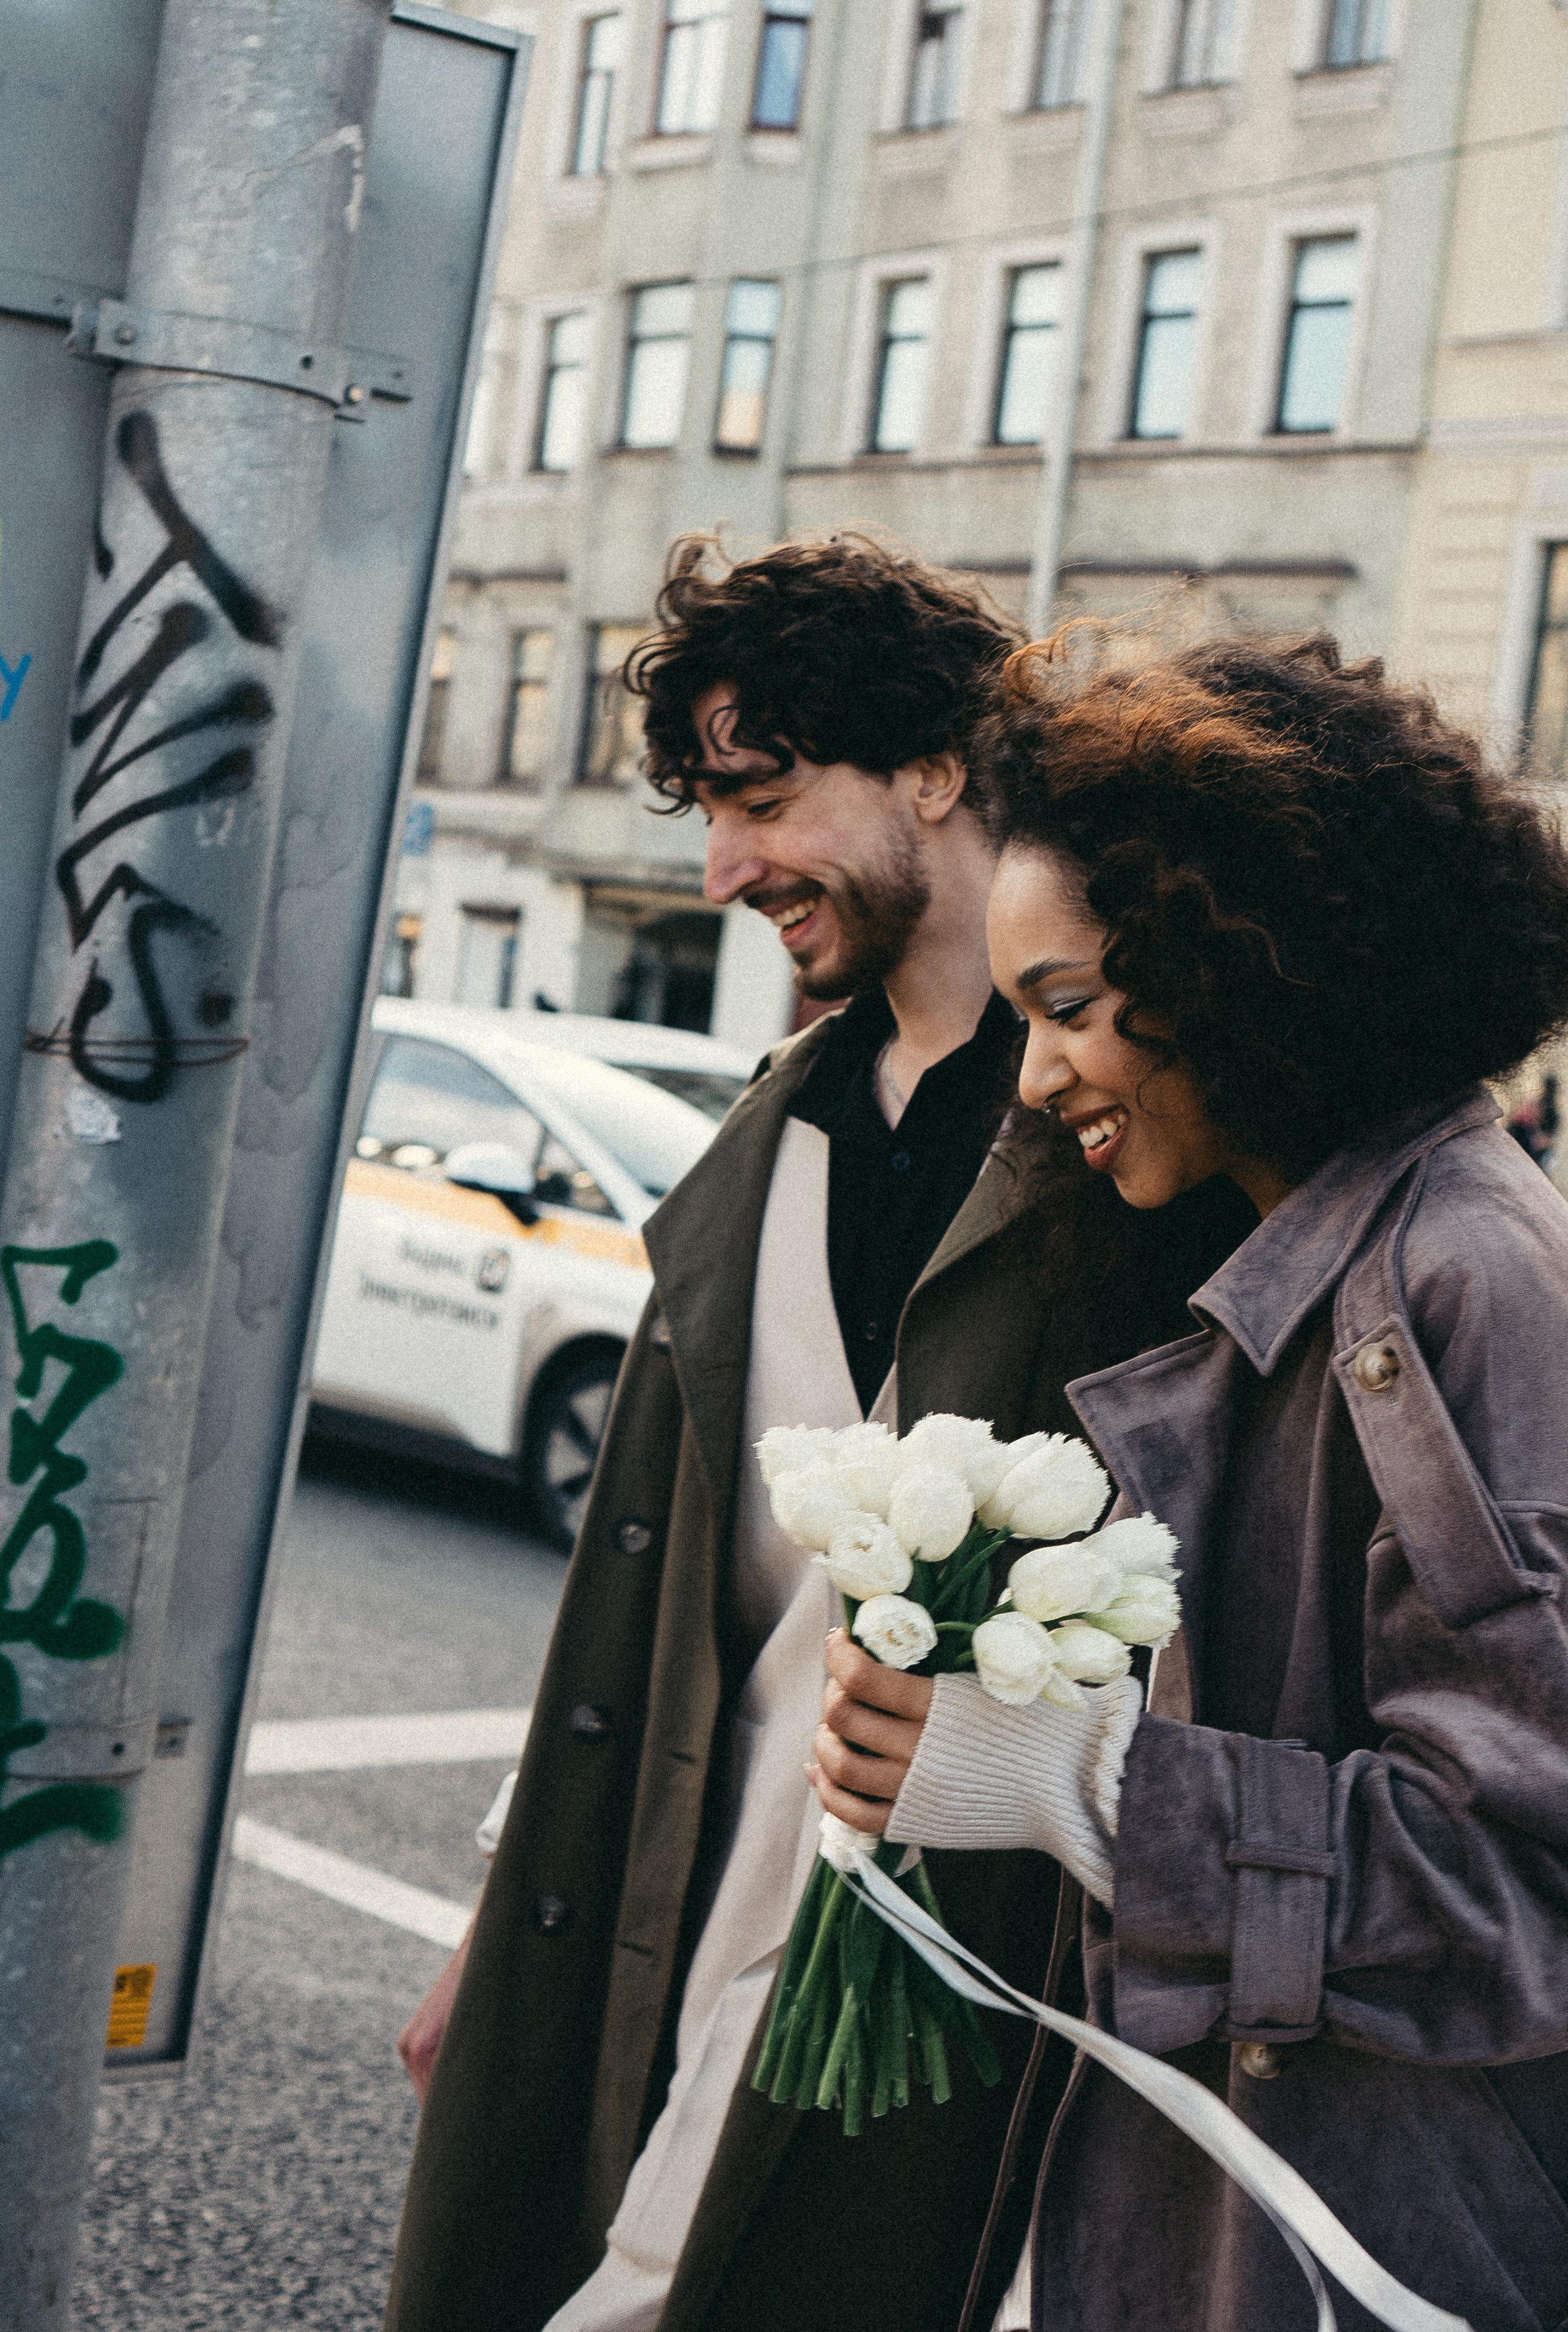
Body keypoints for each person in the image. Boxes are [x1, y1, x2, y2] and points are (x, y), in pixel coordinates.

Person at [382, 539, 1253, 2332]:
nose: (723, 868)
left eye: (763, 798)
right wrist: (504, 1903)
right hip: (676, 1887)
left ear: (936, 767)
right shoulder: (766, 1142)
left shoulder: (1136, 1155)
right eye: (710, 809)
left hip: (947, 1966)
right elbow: (654, 1584)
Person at [812, 631, 1568, 2332]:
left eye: (1070, 1008)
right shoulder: (1317, 1248)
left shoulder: (1463, 1282)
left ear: (1254, 959)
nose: (1037, 1074)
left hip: (1364, 2243)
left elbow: (1525, 1887)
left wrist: (1075, 1775)